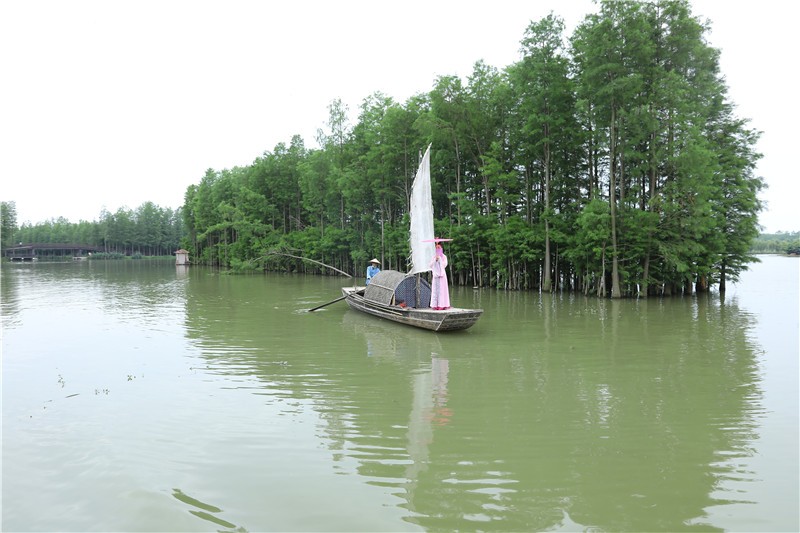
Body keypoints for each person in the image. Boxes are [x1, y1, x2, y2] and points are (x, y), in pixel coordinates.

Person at [429, 243, 450, 310]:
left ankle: (443, 305)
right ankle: (435, 305)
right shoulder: (433, 257)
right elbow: (430, 265)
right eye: (436, 248)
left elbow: (444, 265)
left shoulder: (444, 257)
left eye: (439, 248)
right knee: (435, 290)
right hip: (435, 276)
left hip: (442, 276)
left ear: (441, 249)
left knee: (442, 290)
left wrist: (440, 259)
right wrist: (435, 260)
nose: (437, 249)